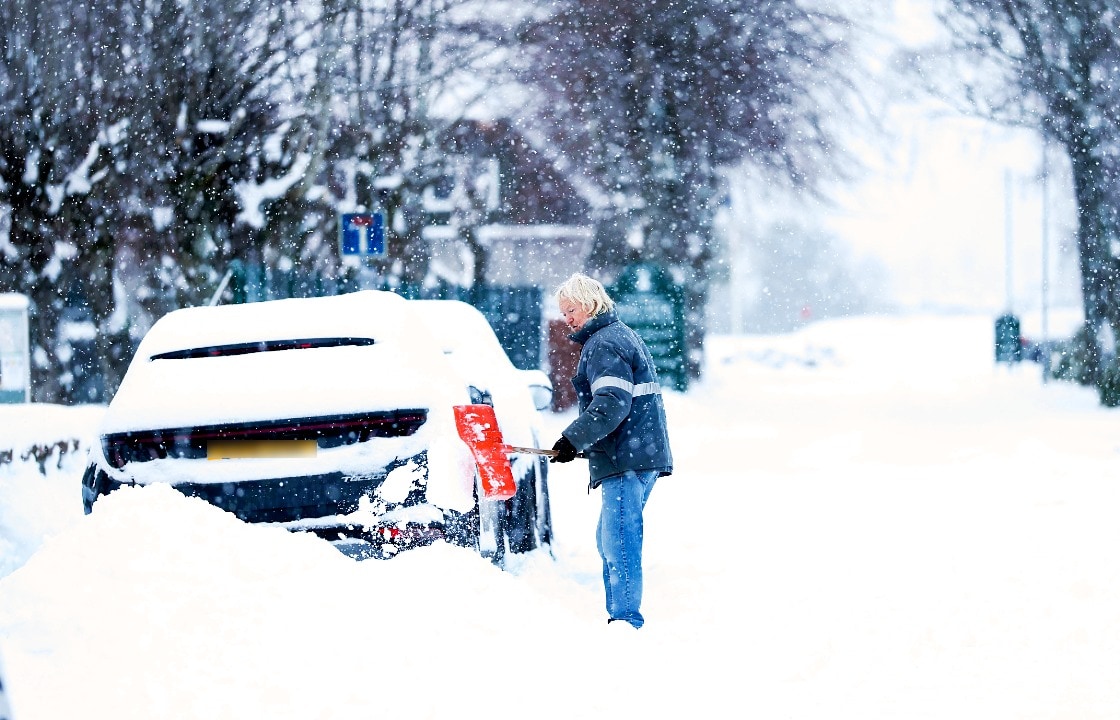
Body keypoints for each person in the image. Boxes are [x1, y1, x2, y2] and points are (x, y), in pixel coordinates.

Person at [550, 272, 673, 630]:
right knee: (611, 539)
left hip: (626, 457)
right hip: (637, 453)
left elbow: (611, 402)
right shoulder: (617, 336)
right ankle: (621, 617)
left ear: (589, 304)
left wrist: (573, 439)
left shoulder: (605, 343)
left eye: (571, 309)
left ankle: (624, 621)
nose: (567, 318)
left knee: (619, 541)